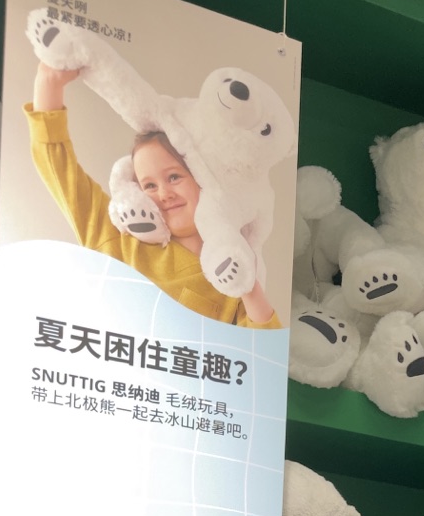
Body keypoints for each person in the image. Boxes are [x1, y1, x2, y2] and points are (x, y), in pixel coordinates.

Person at [27, 60, 278, 328]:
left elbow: (262, 346)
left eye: (174, 177)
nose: (164, 193)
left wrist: (246, 276)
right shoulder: (113, 237)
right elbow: (60, 170)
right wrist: (48, 84)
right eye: (149, 185)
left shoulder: (228, 275)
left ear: (202, 178)